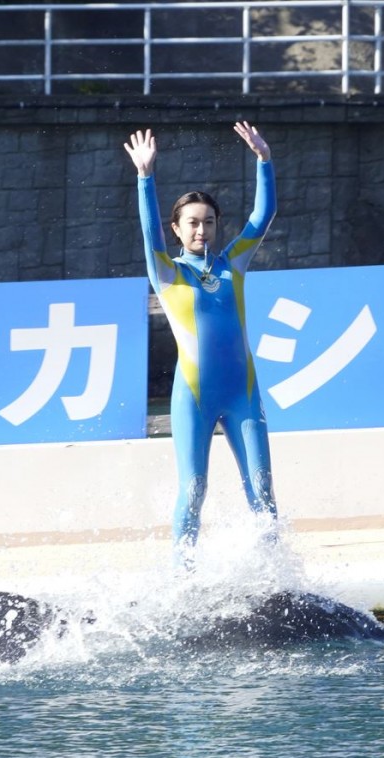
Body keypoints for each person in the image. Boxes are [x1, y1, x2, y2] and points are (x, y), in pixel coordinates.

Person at [124, 122, 279, 567]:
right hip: (193, 395)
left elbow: (262, 216)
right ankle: (182, 575)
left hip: (243, 392)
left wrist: (264, 160)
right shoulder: (169, 273)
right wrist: (145, 177)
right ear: (177, 228)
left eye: (209, 222)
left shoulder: (233, 263)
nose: (202, 231)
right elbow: (148, 232)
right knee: (194, 488)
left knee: (262, 485)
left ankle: (273, 572)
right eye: (192, 223)